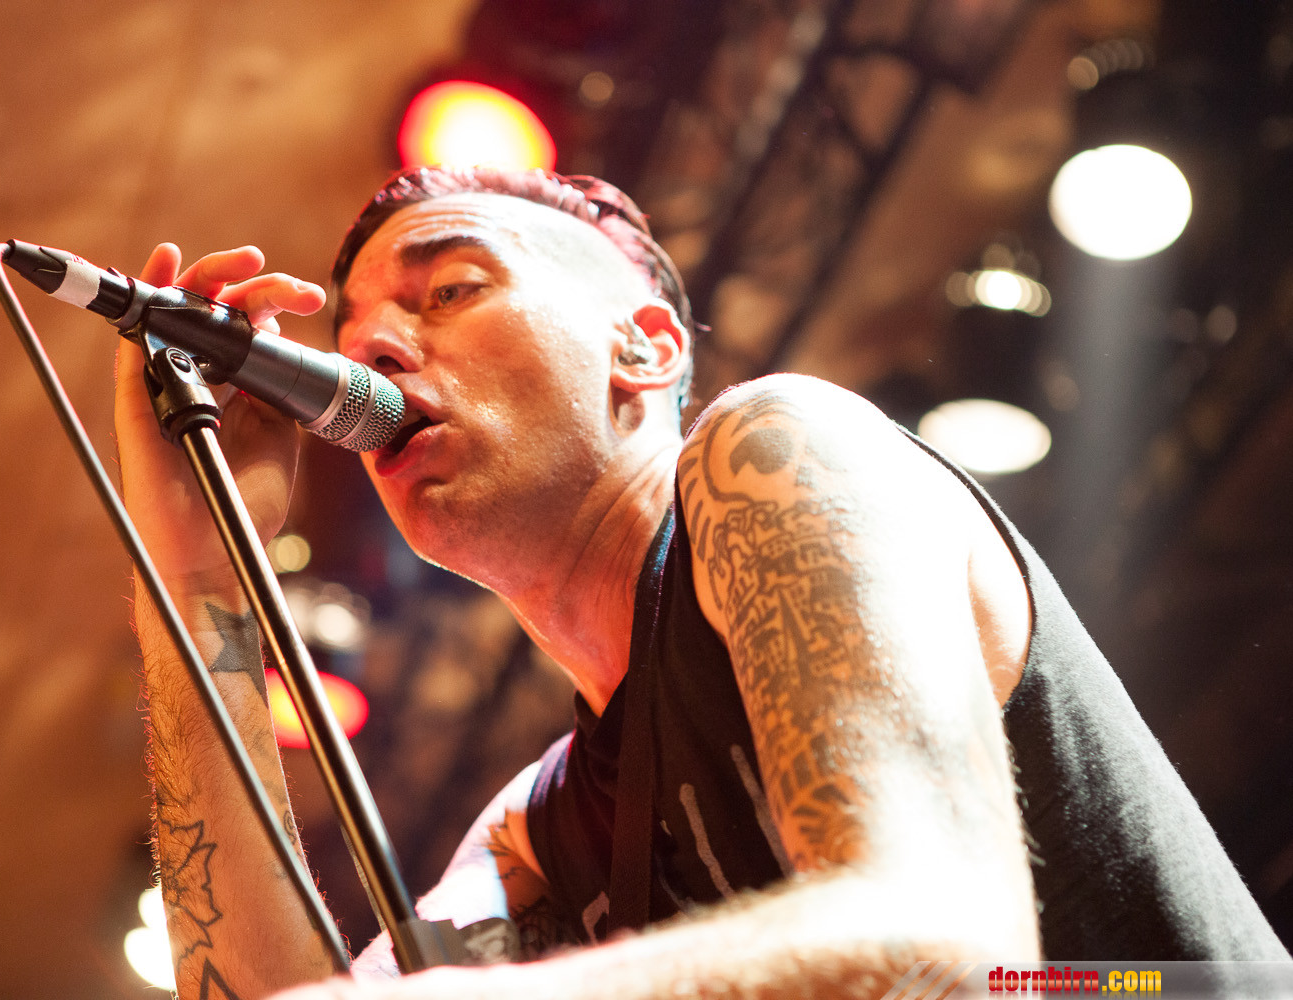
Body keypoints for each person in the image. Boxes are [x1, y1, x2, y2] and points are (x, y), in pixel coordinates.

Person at [115, 167, 1289, 1000]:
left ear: (643, 348)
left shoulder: (778, 447)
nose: (367, 348)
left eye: (452, 289)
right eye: (357, 328)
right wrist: (196, 569)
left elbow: (948, 948)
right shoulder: (538, 833)